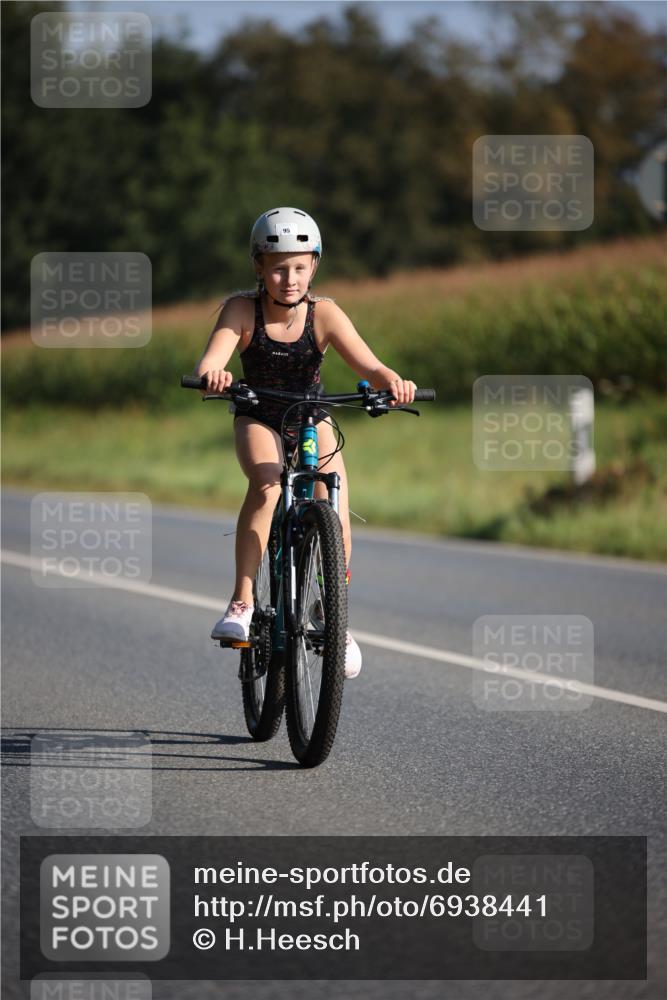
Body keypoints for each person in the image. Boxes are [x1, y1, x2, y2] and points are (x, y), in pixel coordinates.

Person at [196, 207, 416, 678]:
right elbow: (211, 359)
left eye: (299, 267)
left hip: (312, 419)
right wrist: (215, 375)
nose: (289, 278)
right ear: (258, 265)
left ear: (314, 264)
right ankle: (242, 602)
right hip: (259, 414)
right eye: (277, 267)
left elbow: (371, 366)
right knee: (268, 483)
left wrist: (393, 383)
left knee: (333, 500)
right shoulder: (241, 310)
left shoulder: (325, 314)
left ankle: (329, 612)